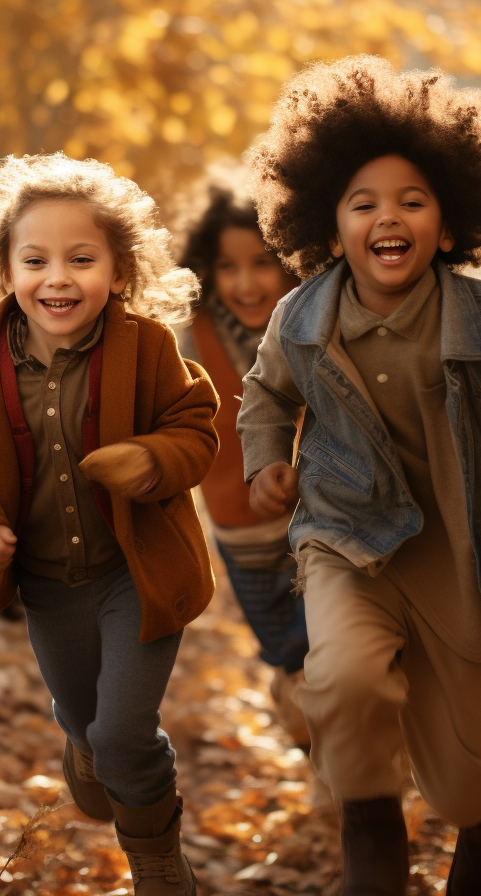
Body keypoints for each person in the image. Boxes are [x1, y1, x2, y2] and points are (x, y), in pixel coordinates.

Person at [237, 57, 481, 896]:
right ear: (328, 225)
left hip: (464, 557)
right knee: (340, 678)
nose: (390, 217)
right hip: (347, 542)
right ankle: (371, 848)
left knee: (461, 781)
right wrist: (269, 461)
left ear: (449, 226)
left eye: (412, 202)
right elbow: (267, 398)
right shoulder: (301, 318)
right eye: (364, 204)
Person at [0, 153, 217, 896]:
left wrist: (151, 459)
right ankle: (85, 747)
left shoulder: (145, 346)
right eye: (36, 259)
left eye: (82, 259)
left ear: (118, 271)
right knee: (86, 723)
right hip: (48, 583)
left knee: (122, 734)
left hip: (134, 573)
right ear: (7, 268)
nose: (58, 278)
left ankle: (157, 864)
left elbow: (197, 426)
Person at [172, 171, 309, 747]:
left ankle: (351, 784)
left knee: (328, 653)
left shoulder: (316, 324)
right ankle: (308, 739)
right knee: (287, 657)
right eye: (228, 267)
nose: (246, 284)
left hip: (325, 527)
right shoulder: (193, 339)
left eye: (262, 263)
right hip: (242, 535)